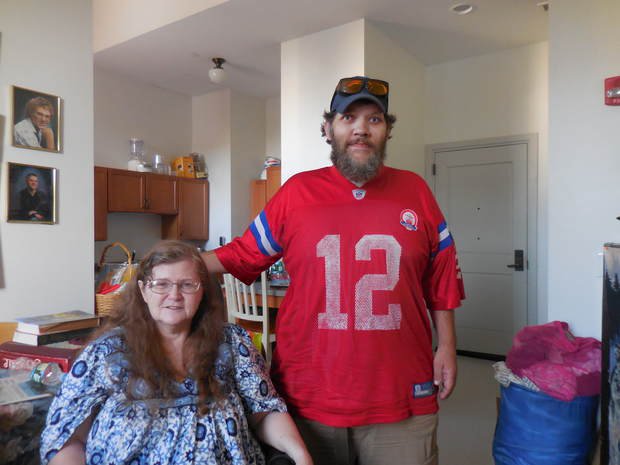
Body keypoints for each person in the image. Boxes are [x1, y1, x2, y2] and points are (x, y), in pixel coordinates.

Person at [202, 76, 465, 465]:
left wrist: (446, 346)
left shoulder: (416, 191)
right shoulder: (295, 194)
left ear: (387, 130)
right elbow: (243, 253)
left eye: (374, 120)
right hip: (310, 391)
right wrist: (173, 264)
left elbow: (440, 277)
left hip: (402, 392)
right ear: (328, 129)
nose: (361, 128)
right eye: (348, 117)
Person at [40, 240, 313, 465]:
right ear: (143, 290)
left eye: (187, 285)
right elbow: (66, 438)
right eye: (161, 284)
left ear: (202, 292)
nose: (175, 295)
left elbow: (265, 412)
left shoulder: (233, 343)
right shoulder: (105, 352)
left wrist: (301, 455)